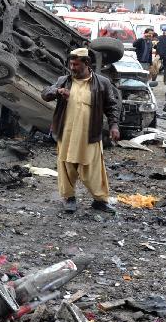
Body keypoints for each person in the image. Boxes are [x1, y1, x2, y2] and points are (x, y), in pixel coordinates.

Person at [41, 47, 120, 215]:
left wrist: (114, 125)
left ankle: (99, 201)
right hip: (66, 134)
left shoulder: (102, 82)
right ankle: (69, 198)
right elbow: (45, 93)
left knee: (93, 169)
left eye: (76, 65)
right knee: (67, 167)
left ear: (86, 63)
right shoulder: (64, 80)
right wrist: (57, 91)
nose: (73, 68)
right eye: (71, 64)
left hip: (90, 134)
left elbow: (112, 106)